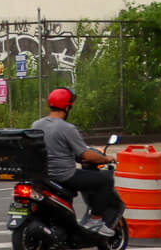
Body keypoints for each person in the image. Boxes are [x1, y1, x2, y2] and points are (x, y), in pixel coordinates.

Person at [30, 88, 123, 238]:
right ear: (67, 107)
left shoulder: (36, 125)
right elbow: (86, 155)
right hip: (65, 176)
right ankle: (95, 220)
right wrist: (107, 159)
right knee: (105, 179)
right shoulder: (67, 128)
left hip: (44, 176)